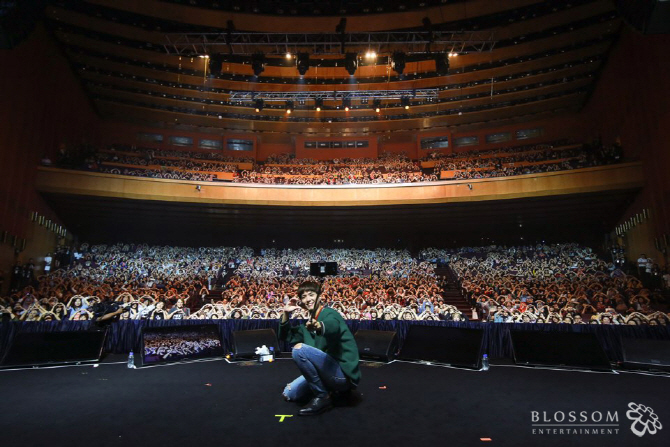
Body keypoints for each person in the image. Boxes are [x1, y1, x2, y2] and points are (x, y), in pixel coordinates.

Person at [278, 280, 361, 416]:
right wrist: (286, 313)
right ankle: (331, 390)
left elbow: (332, 326)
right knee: (289, 393)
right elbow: (285, 335)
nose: (307, 299)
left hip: (342, 375)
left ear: (319, 296)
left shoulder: (329, 313)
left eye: (311, 294)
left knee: (299, 350)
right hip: (326, 371)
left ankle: (322, 396)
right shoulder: (308, 323)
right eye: (303, 297)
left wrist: (319, 326)